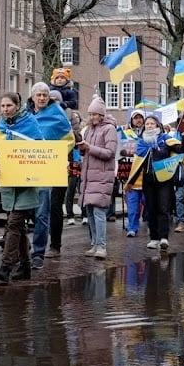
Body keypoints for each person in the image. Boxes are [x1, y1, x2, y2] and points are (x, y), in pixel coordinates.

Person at [0, 92, 44, 283]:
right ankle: (26, 266)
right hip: (8, 183)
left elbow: (40, 150)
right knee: (18, 227)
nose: (5, 110)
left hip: (26, 184)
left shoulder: (30, 124)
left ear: (18, 105)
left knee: (13, 223)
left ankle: (6, 266)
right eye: (2, 106)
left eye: (9, 106)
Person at [27, 81, 75, 265]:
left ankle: (44, 248)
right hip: (27, 167)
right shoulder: (25, 115)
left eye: (44, 95)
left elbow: (69, 140)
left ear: (49, 97)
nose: (41, 98)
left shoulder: (58, 115)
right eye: (38, 95)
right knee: (26, 209)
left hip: (49, 169)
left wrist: (53, 153)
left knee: (45, 209)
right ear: (32, 96)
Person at [131, 114, 184, 247]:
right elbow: (137, 160)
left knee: (163, 208)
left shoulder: (165, 139)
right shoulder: (142, 142)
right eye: (147, 124)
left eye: (152, 123)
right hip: (148, 179)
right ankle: (154, 238)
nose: (149, 126)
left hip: (164, 179)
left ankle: (164, 237)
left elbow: (181, 150)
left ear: (157, 125)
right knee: (151, 208)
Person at [77, 96, 117, 258]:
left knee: (99, 212)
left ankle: (101, 246)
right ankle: (94, 243)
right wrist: (81, 148)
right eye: (90, 114)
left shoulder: (109, 129)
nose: (91, 117)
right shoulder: (89, 130)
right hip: (88, 176)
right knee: (90, 211)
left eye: (94, 114)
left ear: (101, 115)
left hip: (101, 176)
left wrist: (89, 148)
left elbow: (110, 153)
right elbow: (86, 151)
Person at [118, 109, 147, 234]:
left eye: (140, 117)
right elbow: (119, 152)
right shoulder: (125, 133)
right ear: (131, 119)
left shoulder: (149, 133)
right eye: (136, 118)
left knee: (149, 203)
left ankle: (152, 225)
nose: (138, 120)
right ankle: (132, 228)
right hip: (131, 175)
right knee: (133, 205)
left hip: (146, 175)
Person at [65, 111, 83, 225]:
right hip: (71, 164)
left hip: (81, 164)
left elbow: (80, 141)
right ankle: (70, 215)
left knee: (82, 190)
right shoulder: (65, 132)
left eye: (77, 118)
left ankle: (84, 214)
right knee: (70, 191)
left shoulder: (82, 131)